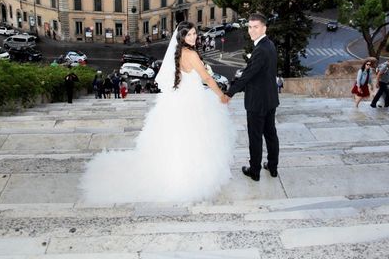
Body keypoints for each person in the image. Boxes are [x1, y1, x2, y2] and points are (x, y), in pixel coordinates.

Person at [80, 21, 235, 203]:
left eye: (194, 33)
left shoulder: (178, 53)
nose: (193, 37)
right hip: (193, 100)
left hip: (179, 98)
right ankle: (189, 177)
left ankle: (173, 171)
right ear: (182, 37)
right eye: (189, 34)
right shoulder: (191, 54)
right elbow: (207, 78)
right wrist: (221, 95)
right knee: (195, 137)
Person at [226, 13, 279, 182]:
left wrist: (229, 92)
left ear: (264, 28)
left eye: (255, 27)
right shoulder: (269, 45)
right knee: (271, 134)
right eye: (249, 27)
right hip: (270, 99)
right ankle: (272, 167)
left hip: (257, 102)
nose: (252, 30)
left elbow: (248, 75)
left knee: (255, 137)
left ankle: (254, 171)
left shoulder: (261, 49)